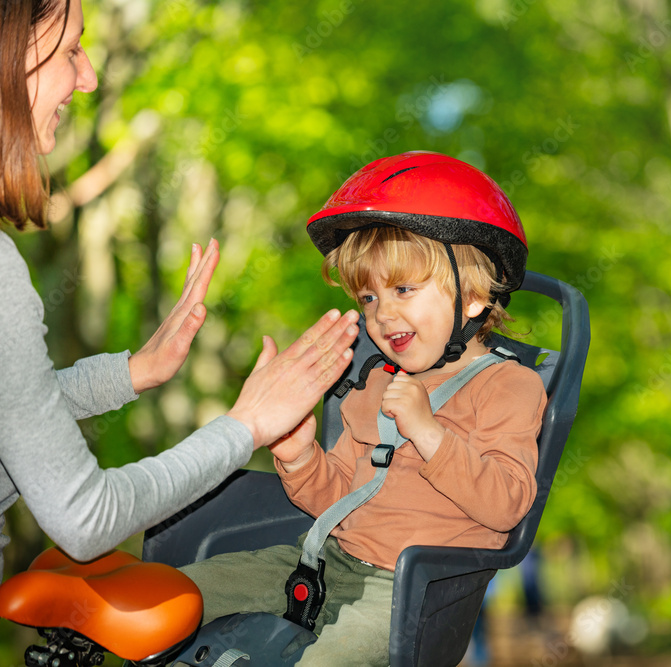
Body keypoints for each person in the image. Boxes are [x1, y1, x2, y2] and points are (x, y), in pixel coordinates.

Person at [0, 1, 359, 664]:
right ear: (2, 59)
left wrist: (132, 372)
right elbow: (86, 521)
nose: (86, 79)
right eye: (70, 52)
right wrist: (244, 428)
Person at [180, 151, 548, 666]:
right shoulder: (374, 383)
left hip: (410, 592)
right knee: (180, 594)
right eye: (369, 297)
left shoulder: (509, 386)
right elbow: (336, 495)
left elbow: (507, 505)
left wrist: (429, 432)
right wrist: (299, 456)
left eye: (403, 289)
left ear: (474, 298)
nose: (382, 312)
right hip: (327, 559)